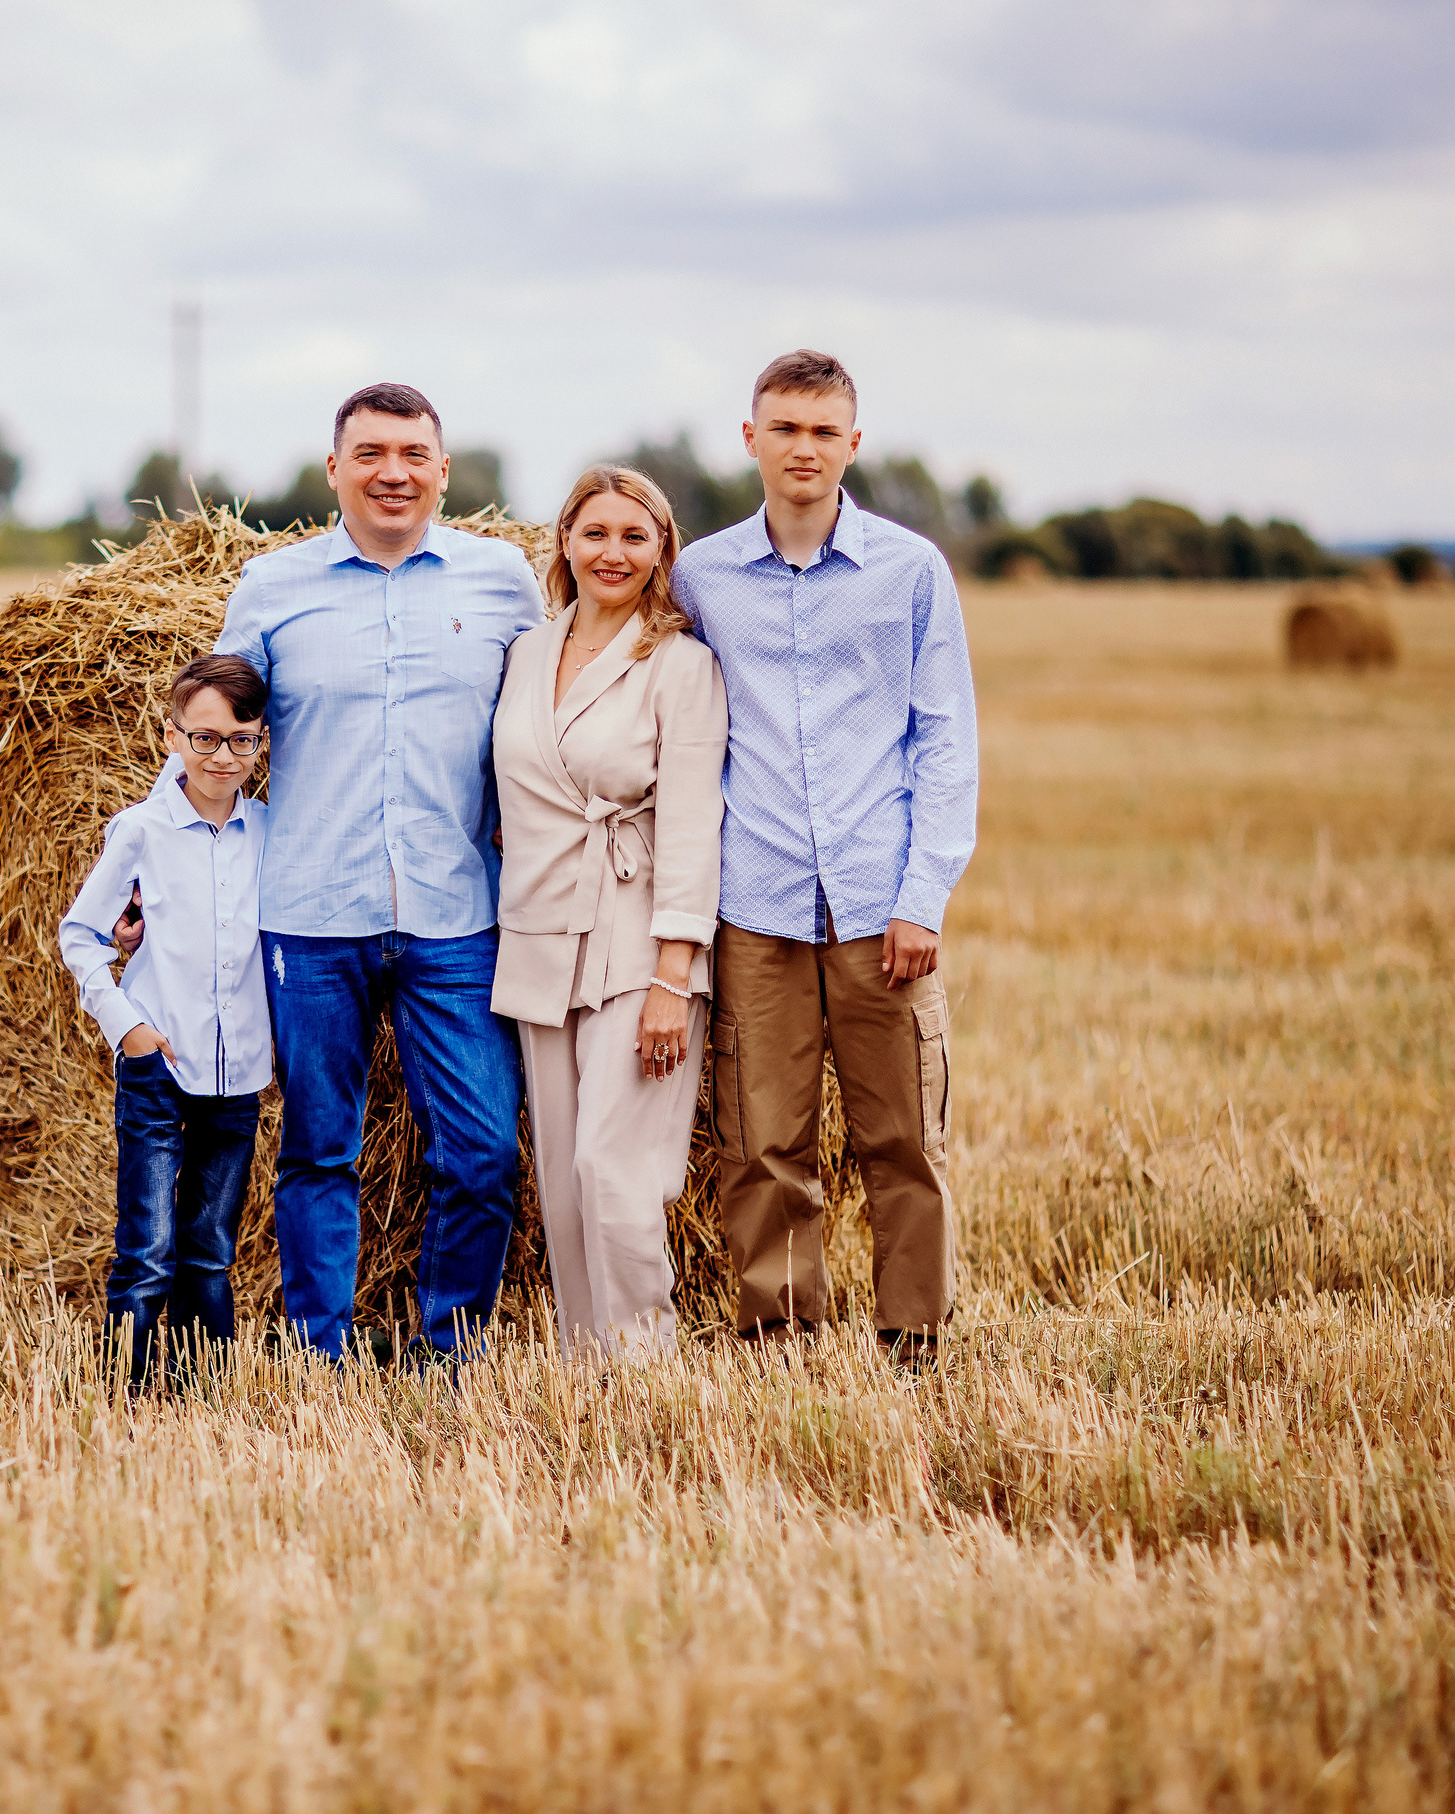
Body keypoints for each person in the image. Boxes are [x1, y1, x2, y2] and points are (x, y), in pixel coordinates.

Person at [211, 382, 546, 1363]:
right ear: (333, 470)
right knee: (319, 1147)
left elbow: (548, 729)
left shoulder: (502, 581)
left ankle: (453, 1345)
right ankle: (320, 1346)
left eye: (411, 454)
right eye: (368, 454)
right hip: (311, 913)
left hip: (458, 913)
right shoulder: (271, 587)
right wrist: (154, 872)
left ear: (443, 470)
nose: (391, 472)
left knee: (480, 1149)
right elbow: (212, 737)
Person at [671, 350, 978, 1366]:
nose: (803, 447)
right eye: (784, 428)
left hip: (878, 901)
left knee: (902, 1140)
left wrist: (922, 895)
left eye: (822, 429)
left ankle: (912, 1337)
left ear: (854, 442)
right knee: (762, 1143)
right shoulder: (701, 574)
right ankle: (779, 1333)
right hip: (751, 898)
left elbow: (944, 740)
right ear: (749, 438)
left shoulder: (910, 570)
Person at [490, 466, 726, 1359]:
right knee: (560, 1179)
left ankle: (643, 1364)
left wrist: (676, 975)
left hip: (639, 942)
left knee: (613, 1167)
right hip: (540, 933)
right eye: (595, 533)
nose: (613, 553)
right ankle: (586, 1368)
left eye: (635, 536)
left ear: (662, 550)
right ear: (564, 543)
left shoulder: (681, 665)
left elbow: (694, 828)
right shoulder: (525, 653)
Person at [59, 654, 272, 1384]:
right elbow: (80, 934)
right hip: (156, 1066)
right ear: (171, 736)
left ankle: (202, 1395)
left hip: (238, 1073)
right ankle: (126, 1393)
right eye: (205, 737)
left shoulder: (270, 834)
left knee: (211, 1246)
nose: (224, 754)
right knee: (147, 1245)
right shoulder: (141, 832)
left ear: (262, 742)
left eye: (242, 739)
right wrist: (129, 1028)